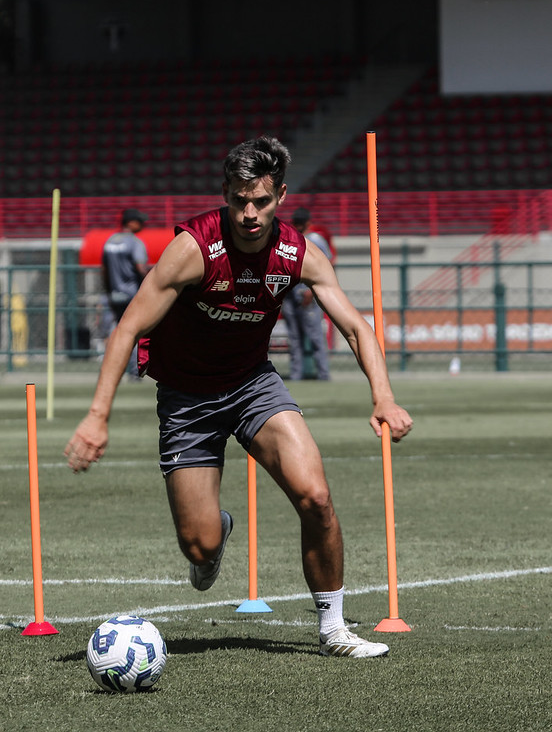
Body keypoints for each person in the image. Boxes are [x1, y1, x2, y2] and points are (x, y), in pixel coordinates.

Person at [65, 136, 413, 659]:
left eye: (262, 202)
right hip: (186, 399)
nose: (250, 214)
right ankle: (216, 532)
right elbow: (126, 328)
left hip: (254, 386)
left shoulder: (298, 252)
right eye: (239, 200)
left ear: (280, 197)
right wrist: (97, 417)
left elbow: (356, 328)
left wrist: (383, 397)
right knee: (199, 546)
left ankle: (334, 629)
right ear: (226, 193)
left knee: (316, 498)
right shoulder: (193, 249)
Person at [281, 207, 332, 380]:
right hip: (290, 295)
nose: (298, 226)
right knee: (294, 339)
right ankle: (296, 375)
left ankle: (323, 375)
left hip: (307, 295)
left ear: (308, 223)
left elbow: (327, 264)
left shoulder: (316, 239)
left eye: (301, 223)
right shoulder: (290, 238)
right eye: (296, 222)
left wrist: (313, 288)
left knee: (316, 337)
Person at [101, 208, 148, 376]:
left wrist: (109, 293)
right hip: (131, 296)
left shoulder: (110, 242)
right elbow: (140, 268)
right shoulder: (134, 242)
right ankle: (135, 372)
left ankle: (110, 370)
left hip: (114, 296)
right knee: (134, 333)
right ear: (131, 222)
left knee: (115, 333)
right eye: (140, 221)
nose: (143, 225)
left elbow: (104, 271)